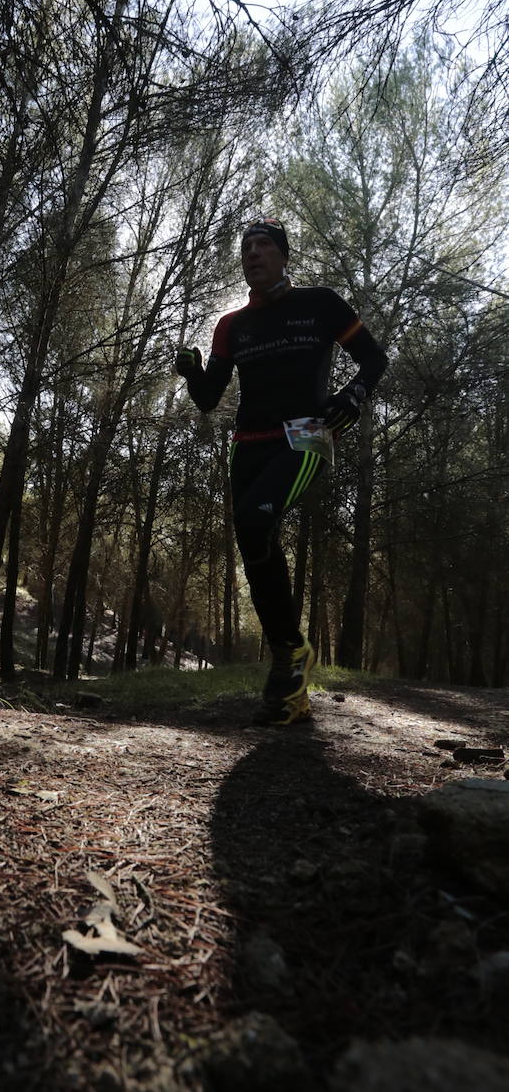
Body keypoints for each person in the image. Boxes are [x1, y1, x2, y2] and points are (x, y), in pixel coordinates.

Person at [176, 219, 387, 724]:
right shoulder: (231, 325)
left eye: (263, 245)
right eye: (246, 248)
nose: (252, 253)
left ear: (285, 254)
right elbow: (208, 400)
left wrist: (351, 400)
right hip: (246, 445)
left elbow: (374, 360)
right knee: (254, 542)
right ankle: (290, 658)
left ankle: (289, 653)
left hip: (306, 436)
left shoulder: (321, 303)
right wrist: (191, 373)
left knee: (254, 522)